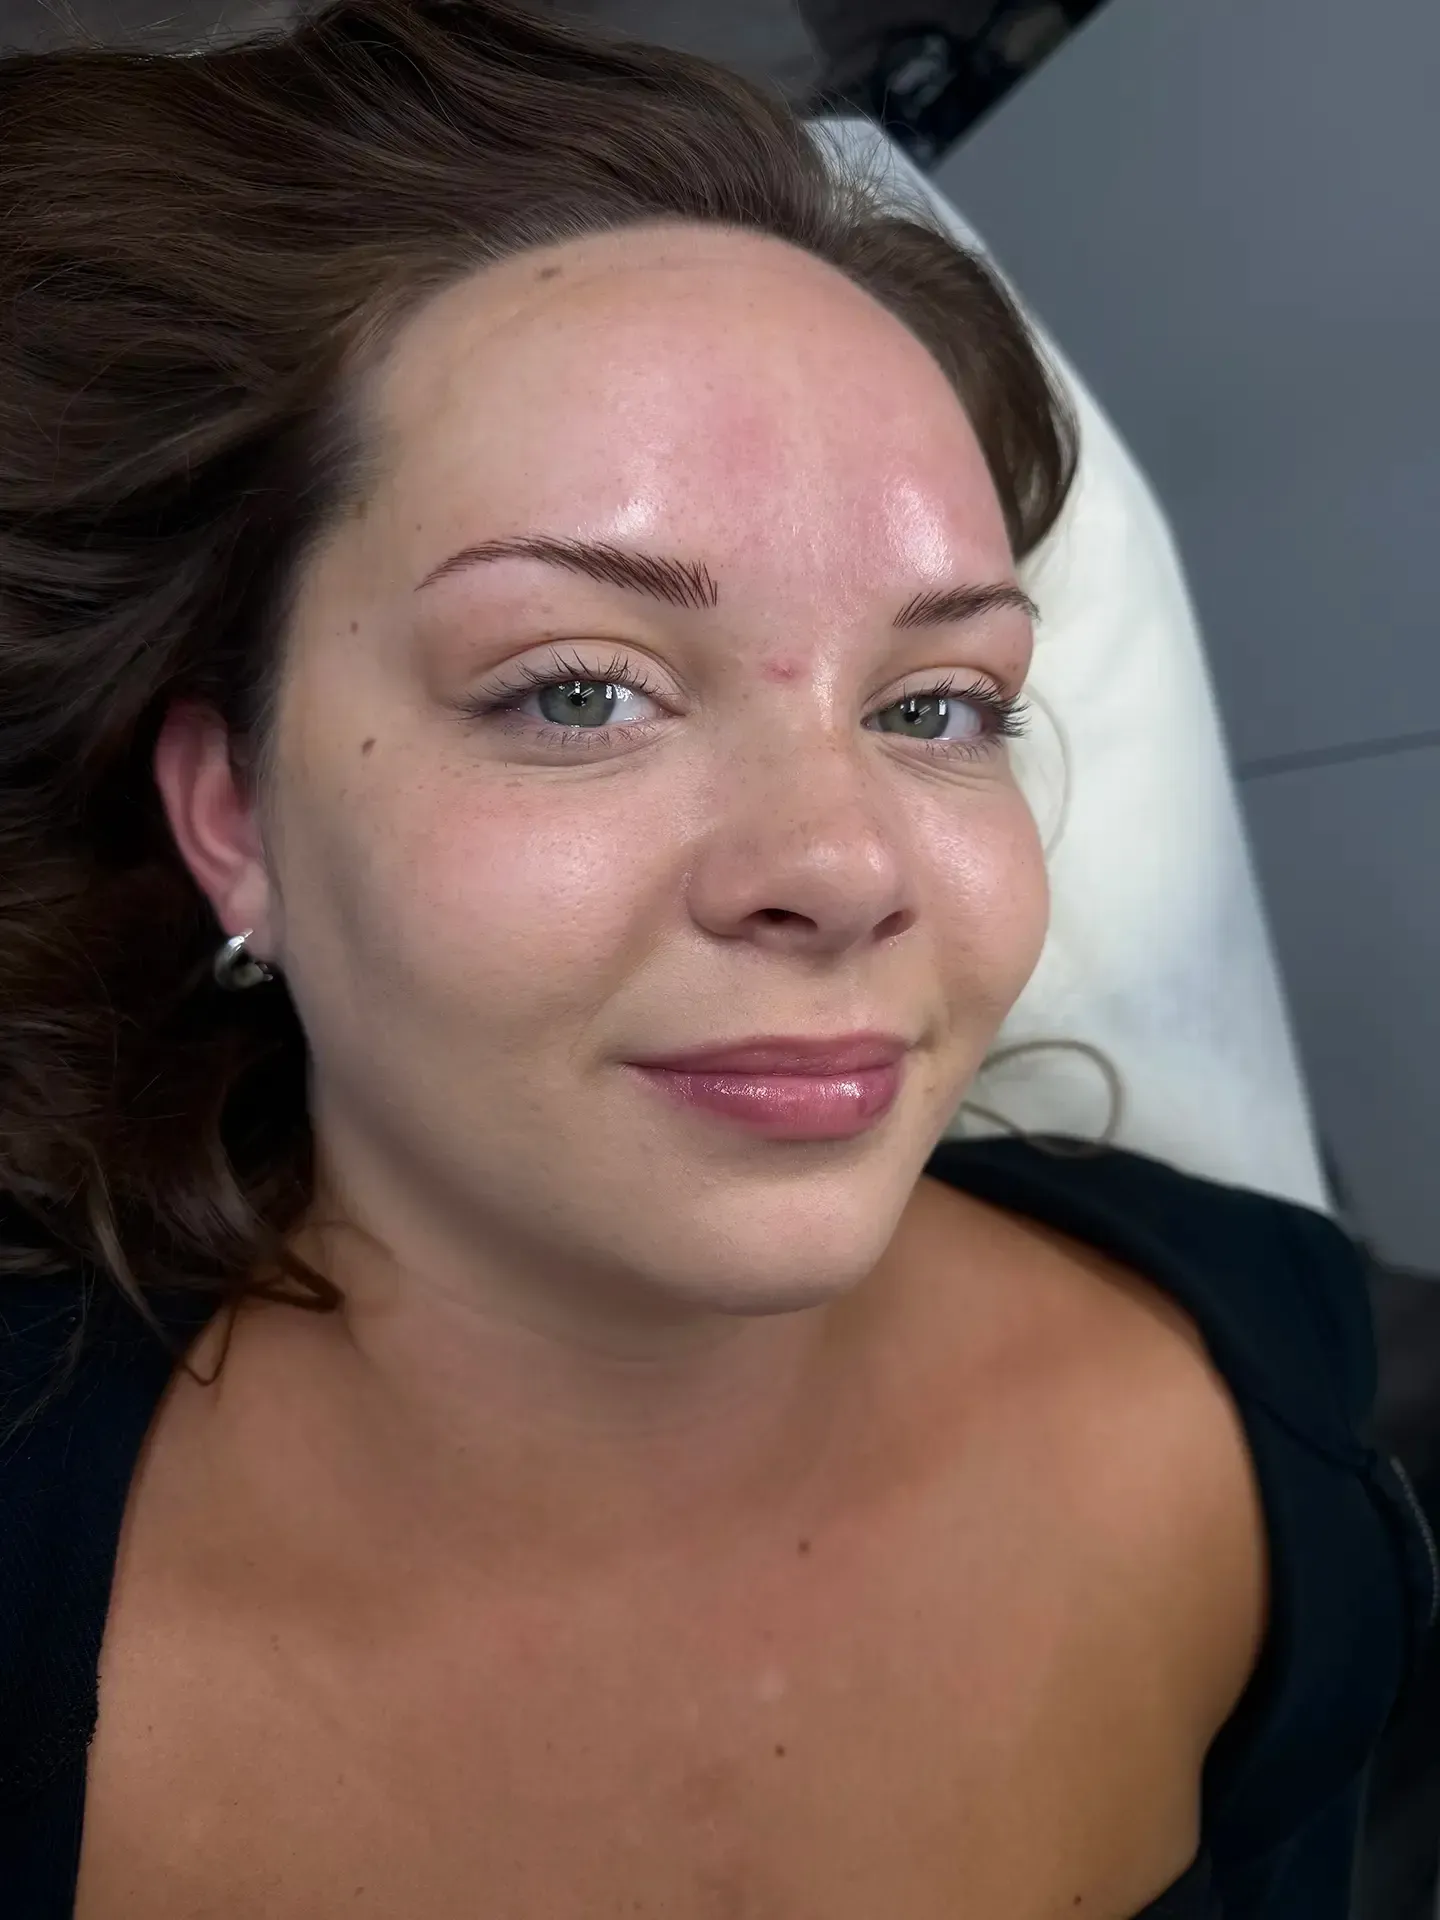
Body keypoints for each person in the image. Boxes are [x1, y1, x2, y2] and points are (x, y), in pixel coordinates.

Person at [0, 3, 1432, 1916]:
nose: (844, 868)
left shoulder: (1256, 1403)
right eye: (581, 688)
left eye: (938, 705)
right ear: (235, 812)